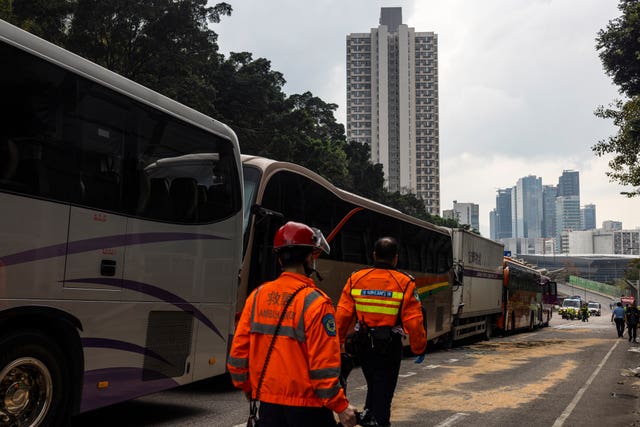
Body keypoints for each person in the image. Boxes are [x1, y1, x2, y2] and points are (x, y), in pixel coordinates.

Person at [227, 221, 357, 427]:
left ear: (279, 259)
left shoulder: (257, 296)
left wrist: (250, 388)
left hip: (269, 407)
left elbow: (237, 358)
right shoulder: (317, 302)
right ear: (309, 258)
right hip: (309, 410)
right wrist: (340, 406)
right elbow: (323, 368)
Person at [335, 236, 427, 427]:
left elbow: (342, 317)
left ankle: (369, 417)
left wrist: (335, 345)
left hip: (363, 347)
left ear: (374, 255)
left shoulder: (355, 278)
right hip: (389, 347)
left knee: (375, 387)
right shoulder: (405, 282)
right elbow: (415, 322)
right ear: (396, 258)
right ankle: (378, 421)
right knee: (383, 394)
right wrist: (419, 348)